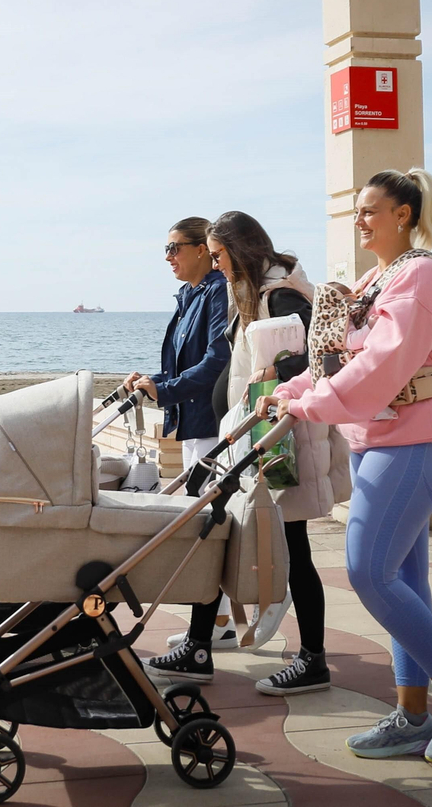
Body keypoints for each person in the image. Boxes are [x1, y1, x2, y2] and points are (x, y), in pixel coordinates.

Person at [259, 169, 432, 766]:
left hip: (417, 440)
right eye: (357, 210)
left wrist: (311, 403)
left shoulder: (420, 275)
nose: (359, 220)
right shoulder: (375, 279)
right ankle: (412, 714)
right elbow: (337, 359)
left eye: (370, 210)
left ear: (404, 215)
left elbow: (384, 365)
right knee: (404, 581)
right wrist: (291, 391)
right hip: (381, 439)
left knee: (369, 571)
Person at [147, 211, 323, 683]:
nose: (218, 264)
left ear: (237, 251)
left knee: (296, 549)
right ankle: (199, 645)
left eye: (220, 255)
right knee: (212, 530)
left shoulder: (282, 294)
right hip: (245, 434)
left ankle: (313, 659)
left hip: (277, 440)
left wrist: (279, 374)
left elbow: (321, 357)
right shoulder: (249, 293)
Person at [120, 218, 236, 653]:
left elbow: (215, 362)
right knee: (204, 526)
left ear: (204, 249)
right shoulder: (190, 297)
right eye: (165, 250)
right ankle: (218, 623)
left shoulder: (216, 293)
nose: (168, 257)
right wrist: (153, 381)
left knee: (204, 531)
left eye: (175, 248)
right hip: (192, 423)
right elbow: (183, 362)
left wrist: (164, 390)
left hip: (210, 424)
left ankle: (208, 631)